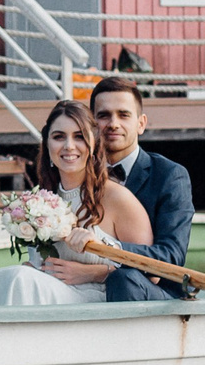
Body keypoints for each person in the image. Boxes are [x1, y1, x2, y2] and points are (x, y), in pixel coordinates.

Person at [0, 99, 155, 306]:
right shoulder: (40, 201)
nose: (69, 146)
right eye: (59, 137)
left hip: (96, 298)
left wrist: (91, 273)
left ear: (93, 144)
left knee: (22, 281)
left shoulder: (117, 198)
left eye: (79, 137)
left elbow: (152, 274)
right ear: (47, 144)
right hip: (49, 293)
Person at [32, 77, 195, 304]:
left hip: (151, 291)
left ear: (141, 123)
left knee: (123, 279)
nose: (113, 124)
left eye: (123, 115)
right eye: (103, 115)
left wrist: (99, 269)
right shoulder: (67, 175)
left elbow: (171, 256)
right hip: (76, 289)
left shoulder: (169, 175)